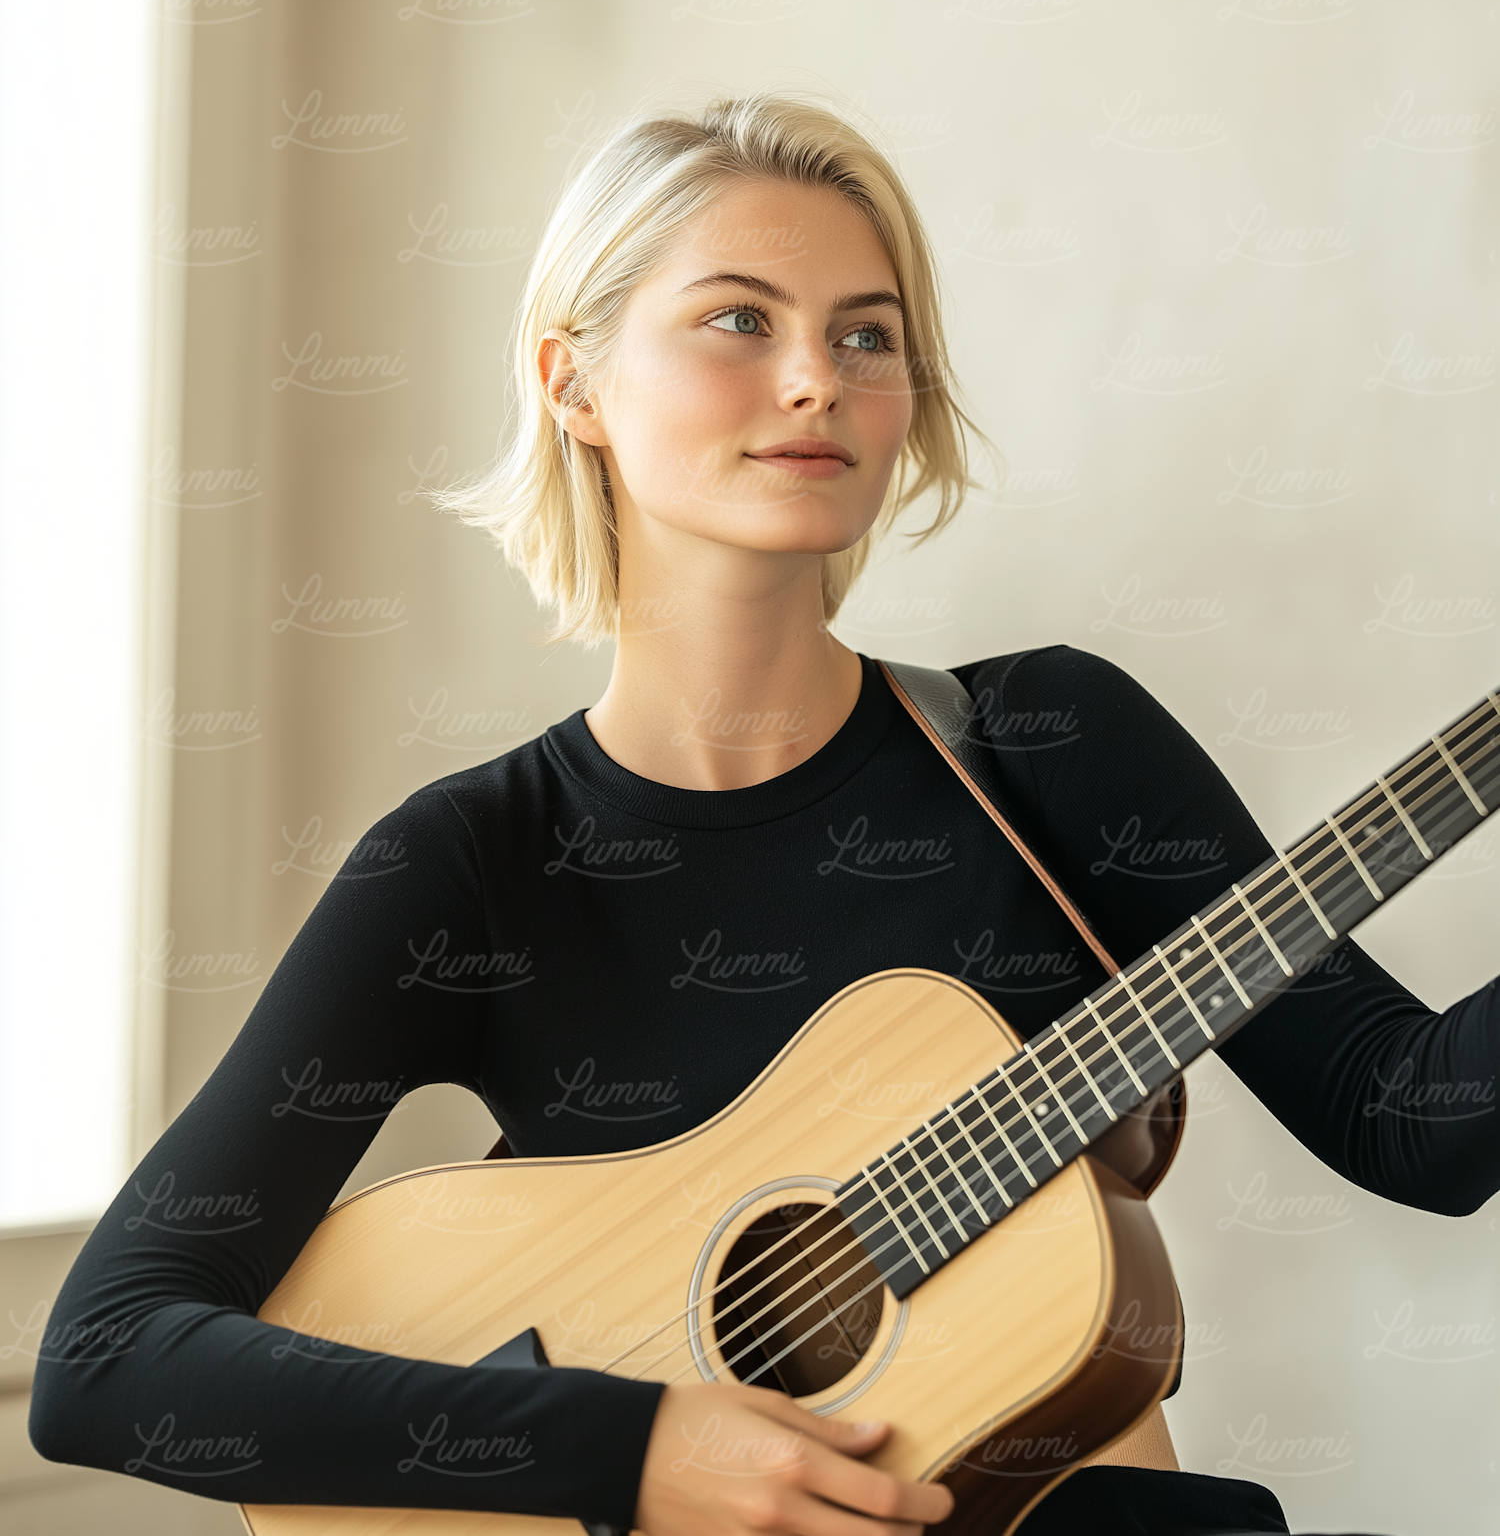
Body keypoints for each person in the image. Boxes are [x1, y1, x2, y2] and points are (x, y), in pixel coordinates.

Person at [30, 96, 1499, 1535]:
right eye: (741, 319)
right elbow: (109, 1355)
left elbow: (1414, 1115)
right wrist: (633, 1447)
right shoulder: (470, 863)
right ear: (574, 384)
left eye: (867, 333)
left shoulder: (1048, 743)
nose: (817, 379)